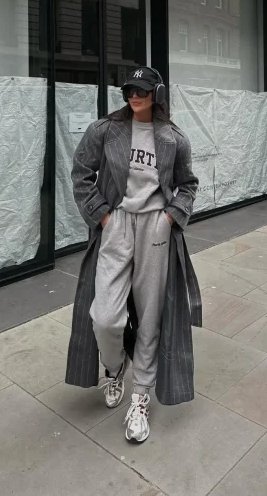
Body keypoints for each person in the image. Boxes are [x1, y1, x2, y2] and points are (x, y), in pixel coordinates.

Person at [65, 66, 202, 443]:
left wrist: (171, 218)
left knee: (151, 315)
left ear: (156, 93)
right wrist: (104, 217)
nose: (133, 96)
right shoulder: (105, 130)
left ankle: (139, 395)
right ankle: (114, 367)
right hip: (118, 225)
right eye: (128, 89)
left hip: (156, 228)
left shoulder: (174, 138)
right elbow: (80, 175)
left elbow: (188, 185)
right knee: (105, 316)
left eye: (141, 90)